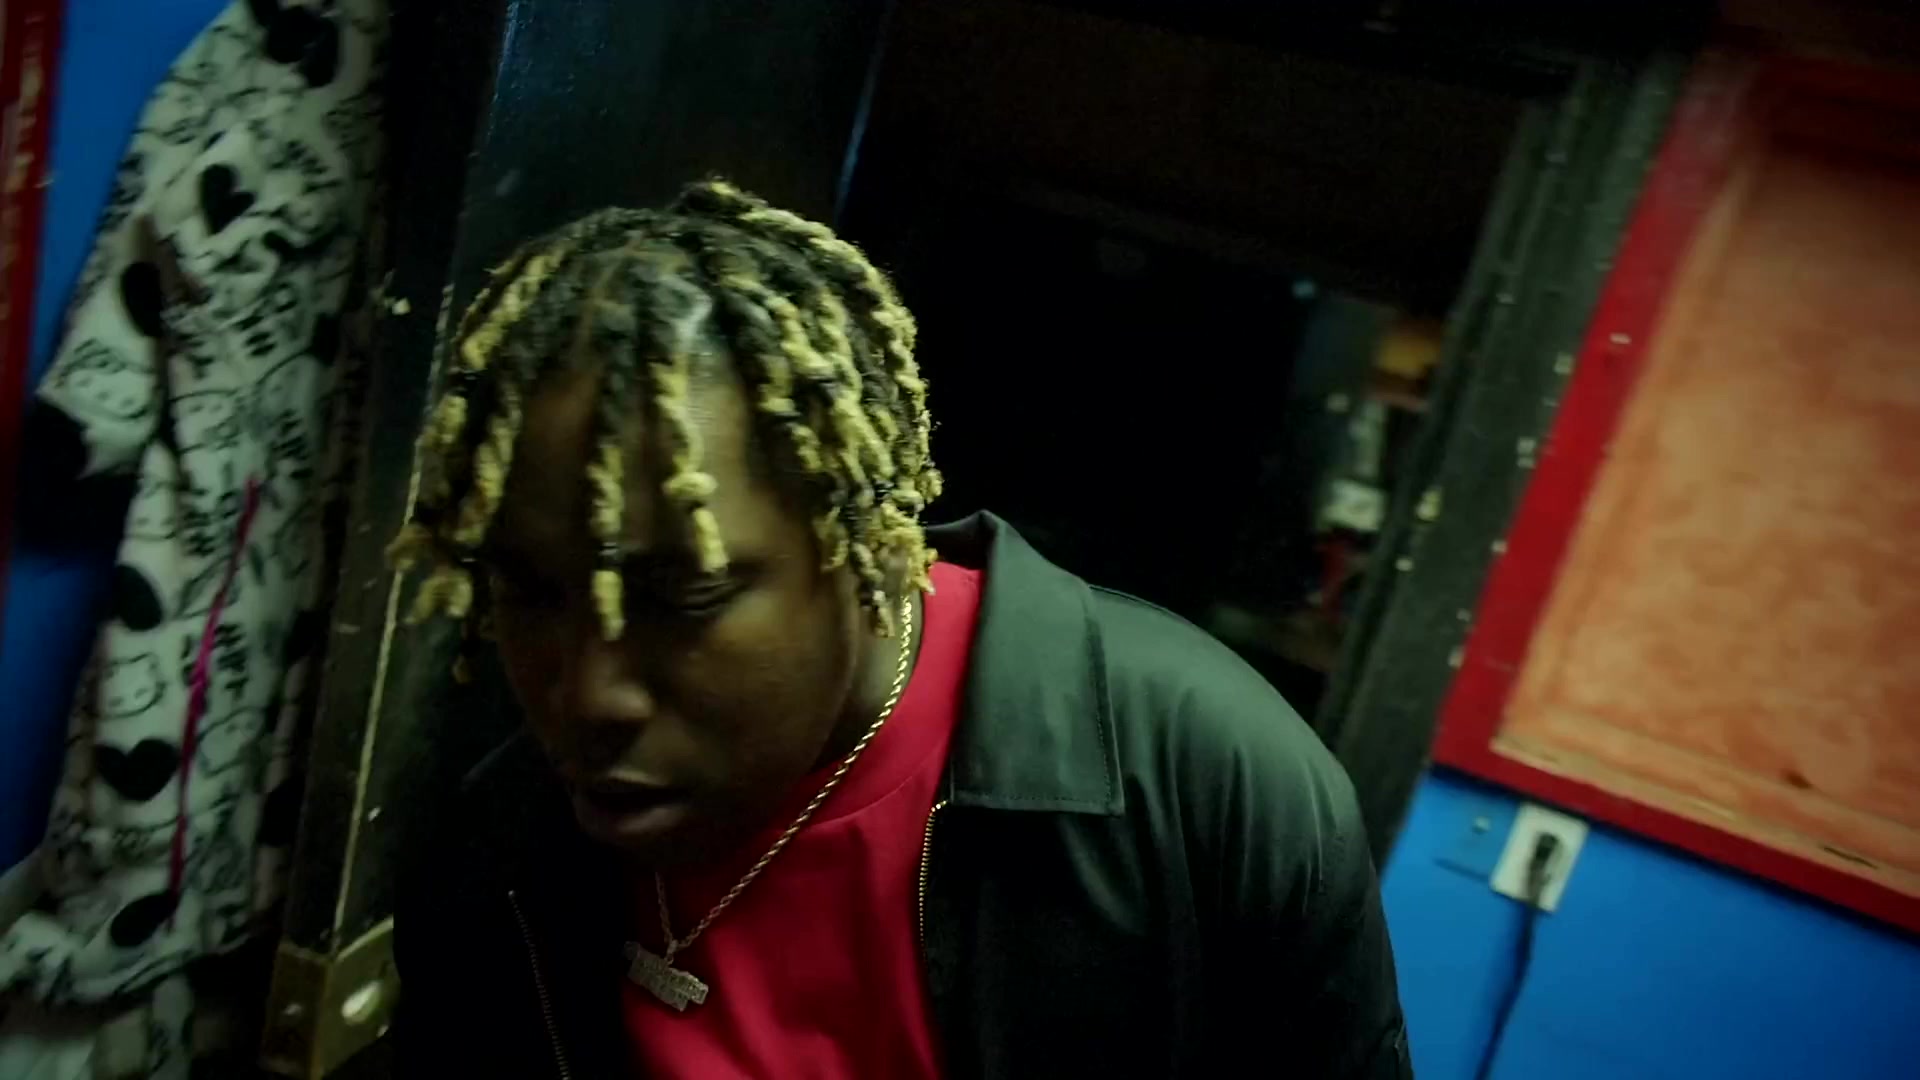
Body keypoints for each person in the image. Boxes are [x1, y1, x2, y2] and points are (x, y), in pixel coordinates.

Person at [391, 180, 1410, 1078]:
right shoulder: (502, 846)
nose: (587, 696)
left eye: (685, 596)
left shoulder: (1206, 790)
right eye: (532, 593)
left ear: (864, 544)